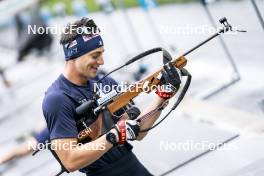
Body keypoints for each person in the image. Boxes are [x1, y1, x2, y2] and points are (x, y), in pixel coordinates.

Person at [42, 17, 180, 176]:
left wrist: (163, 95)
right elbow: (69, 160)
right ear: (73, 56)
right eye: (95, 55)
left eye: (102, 53)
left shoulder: (104, 81)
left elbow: (139, 131)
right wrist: (114, 135)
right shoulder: (56, 99)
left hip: (132, 165)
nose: (101, 61)